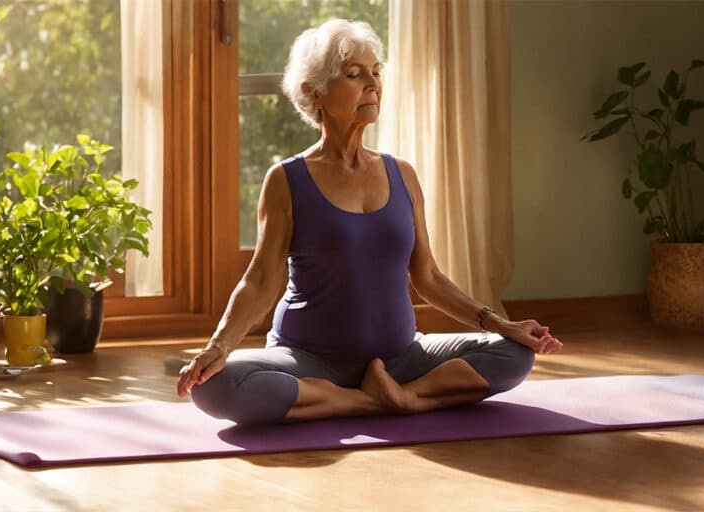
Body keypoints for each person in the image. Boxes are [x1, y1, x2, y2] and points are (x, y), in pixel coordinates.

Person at [177, 19, 563, 428]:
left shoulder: (403, 175)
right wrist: (219, 346)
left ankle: (392, 395)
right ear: (314, 92)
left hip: (401, 358)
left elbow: (428, 276)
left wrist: (502, 324)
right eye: (354, 74)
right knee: (216, 385)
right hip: (308, 361)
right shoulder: (286, 180)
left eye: (376, 72)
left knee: (514, 354)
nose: (372, 84)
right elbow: (260, 280)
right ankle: (375, 401)